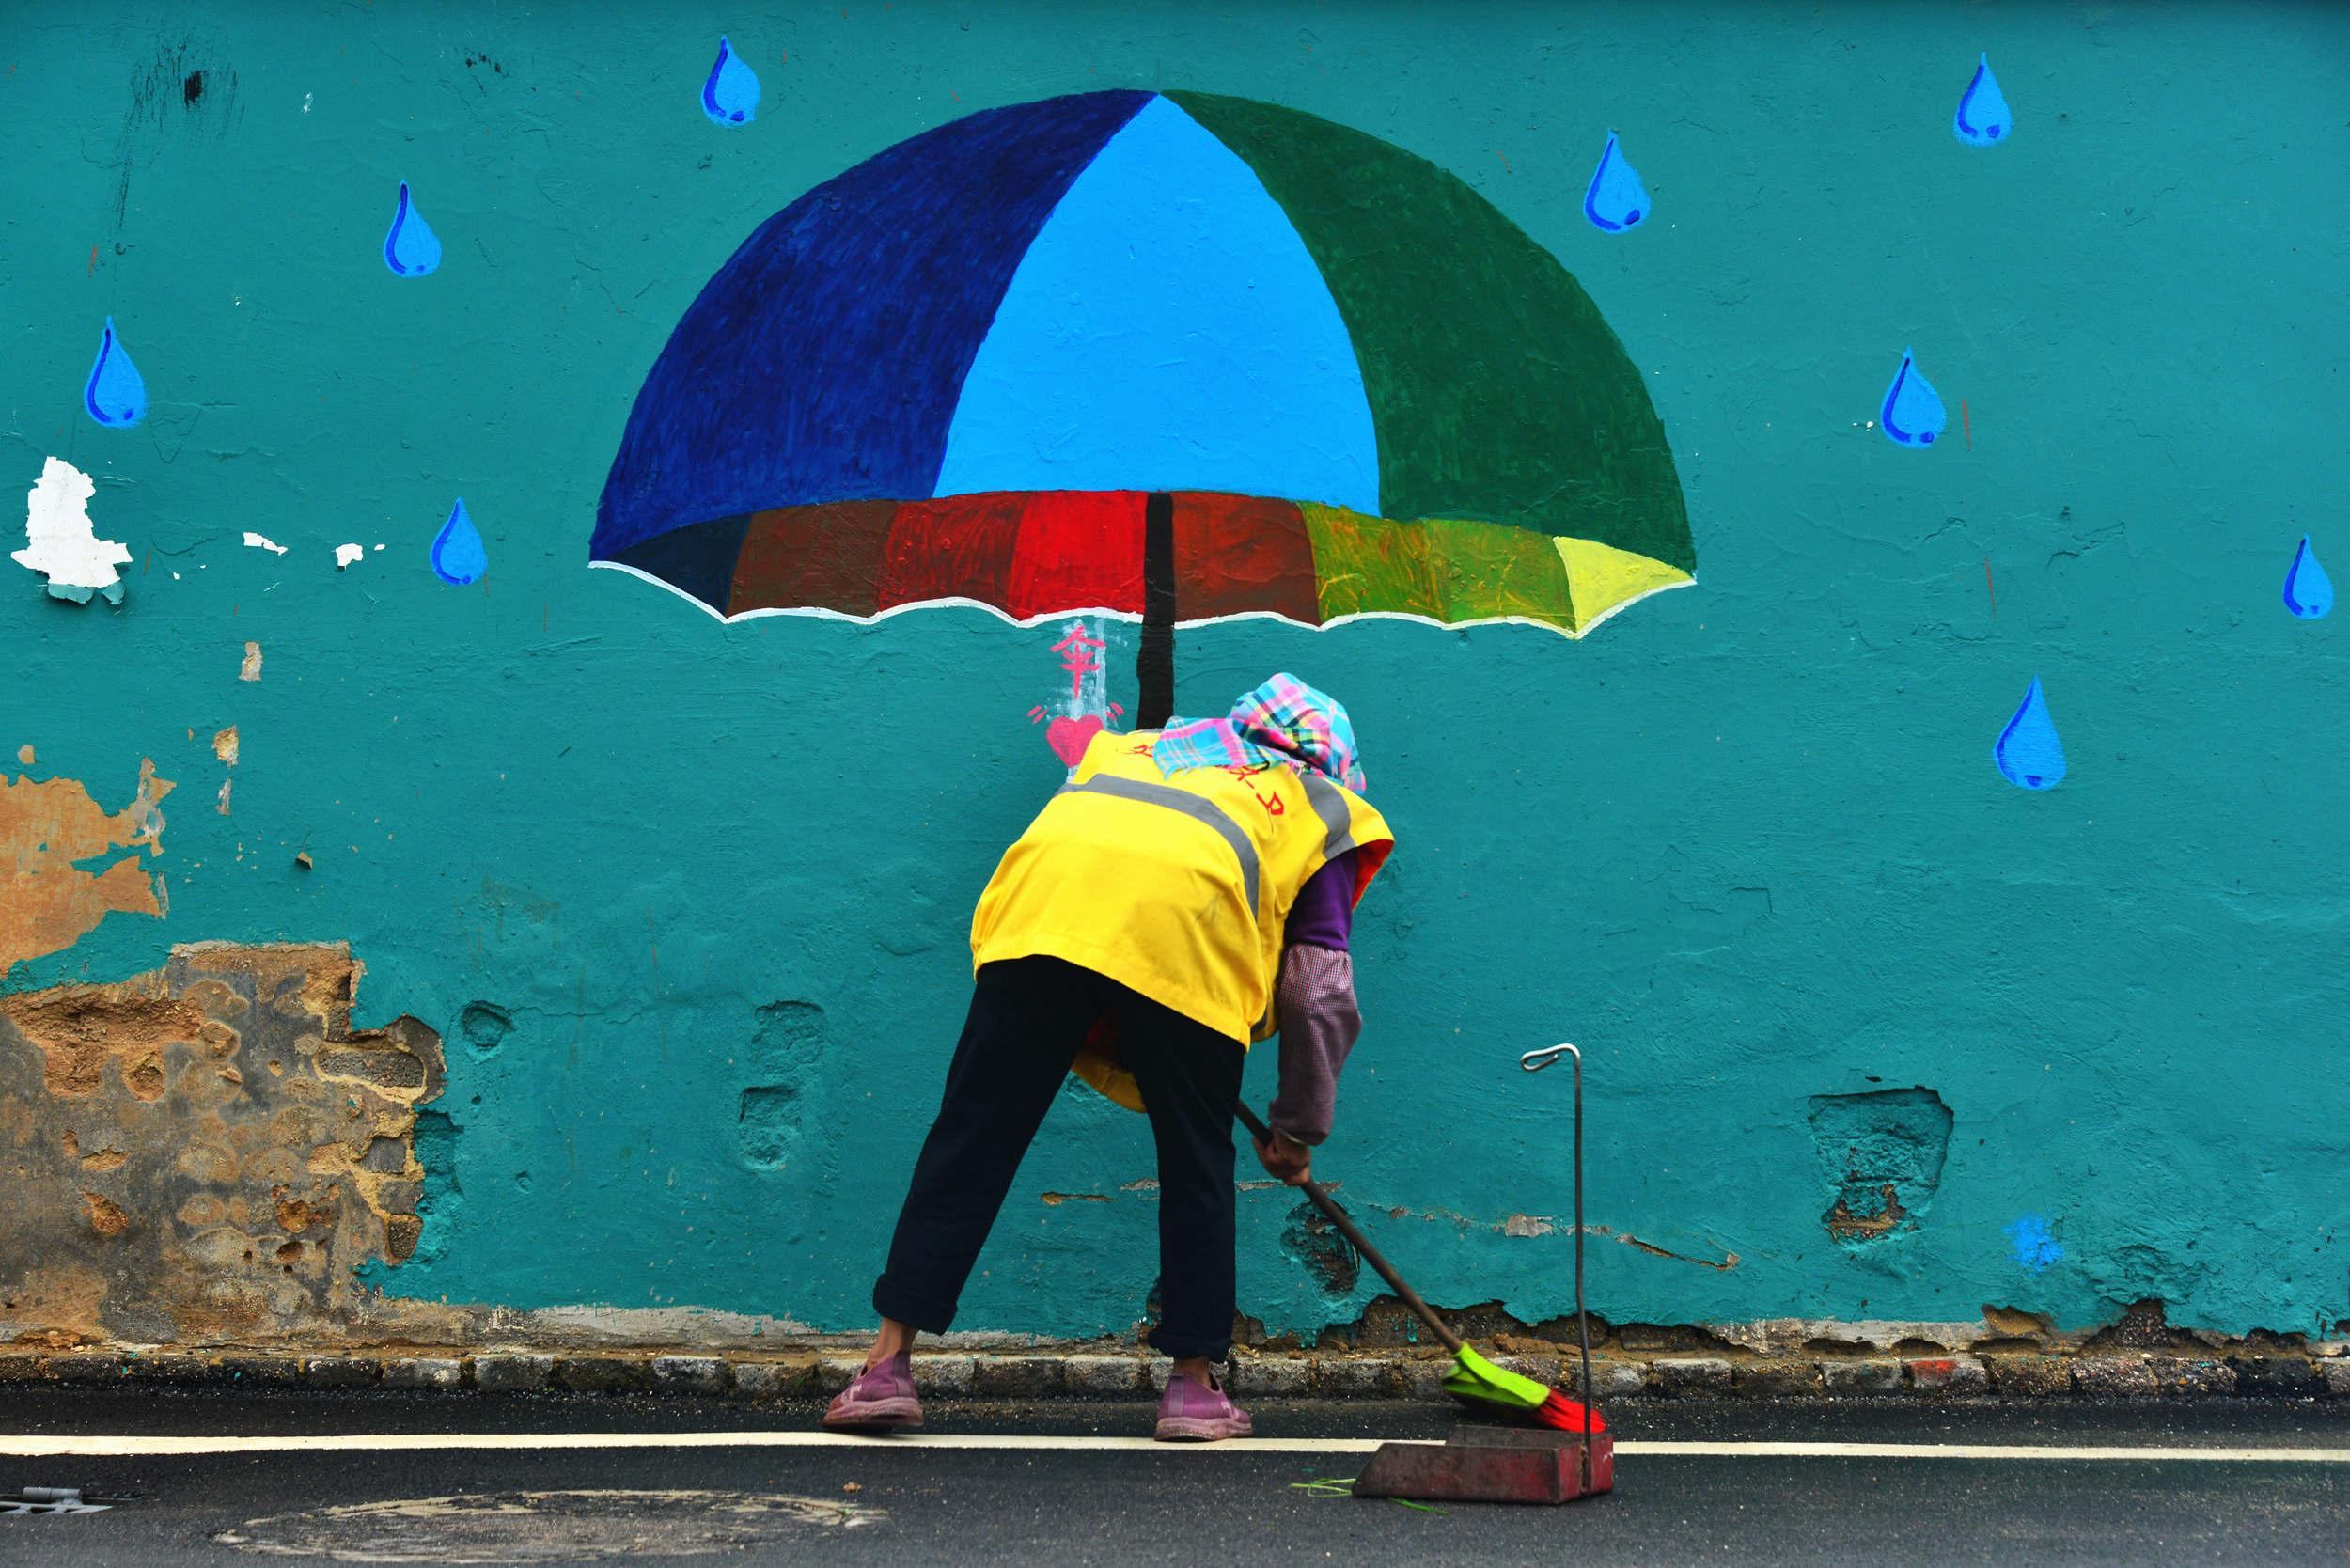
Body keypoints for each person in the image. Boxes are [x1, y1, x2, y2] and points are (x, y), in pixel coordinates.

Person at [823, 674, 1394, 1441]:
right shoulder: (1318, 804)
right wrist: (1297, 1130)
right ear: (1333, 765)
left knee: (973, 1135)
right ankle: (1192, 1389)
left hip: (1041, 922)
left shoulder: (1132, 749)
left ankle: (885, 1368)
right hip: (1186, 948)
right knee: (1197, 1161)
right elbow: (1317, 990)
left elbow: (1106, 865)